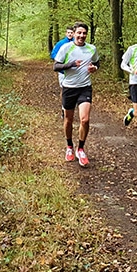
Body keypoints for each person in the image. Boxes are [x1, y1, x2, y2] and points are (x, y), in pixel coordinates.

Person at [53, 22, 99, 166]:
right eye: (79, 33)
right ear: (74, 33)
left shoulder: (92, 49)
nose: (81, 36)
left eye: (84, 33)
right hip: (69, 88)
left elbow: (98, 63)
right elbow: (56, 66)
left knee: (84, 119)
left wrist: (94, 68)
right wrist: (71, 64)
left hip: (85, 87)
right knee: (69, 119)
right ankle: (69, 146)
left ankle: (80, 148)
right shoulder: (66, 48)